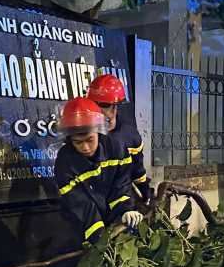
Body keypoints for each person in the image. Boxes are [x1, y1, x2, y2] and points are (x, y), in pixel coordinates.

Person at [54, 96, 143, 242]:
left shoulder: (116, 149)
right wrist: (100, 239)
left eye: (90, 140)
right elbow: (81, 205)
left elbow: (121, 186)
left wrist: (125, 210)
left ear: (99, 133)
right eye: (78, 142)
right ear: (69, 140)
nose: (85, 147)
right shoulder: (64, 163)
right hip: (82, 228)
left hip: (114, 221)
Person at [86, 74, 151, 202]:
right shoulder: (83, 134)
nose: (110, 111)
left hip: (121, 200)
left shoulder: (130, 137)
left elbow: (137, 172)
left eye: (113, 105)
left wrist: (145, 192)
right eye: (104, 105)